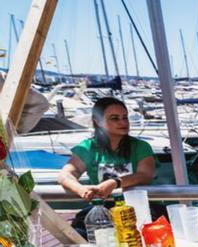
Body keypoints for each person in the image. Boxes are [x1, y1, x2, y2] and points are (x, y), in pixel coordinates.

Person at [57, 97, 157, 237]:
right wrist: (81, 189)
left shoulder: (141, 146)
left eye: (125, 117)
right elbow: (65, 175)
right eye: (115, 118)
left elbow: (145, 175)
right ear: (98, 121)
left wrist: (114, 183)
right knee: (78, 234)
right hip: (102, 210)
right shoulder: (88, 148)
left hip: (138, 208)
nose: (123, 122)